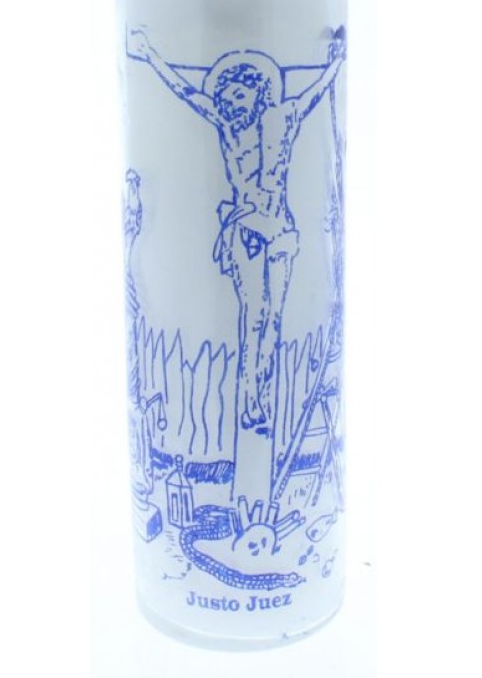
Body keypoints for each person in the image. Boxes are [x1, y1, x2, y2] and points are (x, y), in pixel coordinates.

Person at [127, 28, 346, 433]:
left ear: (258, 92)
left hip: (280, 230)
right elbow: (186, 92)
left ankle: (262, 396)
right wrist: (152, 55)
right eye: (226, 97)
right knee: (254, 315)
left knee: (274, 318)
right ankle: (250, 401)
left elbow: (316, 92)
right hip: (246, 229)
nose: (230, 103)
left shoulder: (285, 117)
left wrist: (335, 63)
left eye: (238, 95)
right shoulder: (229, 128)